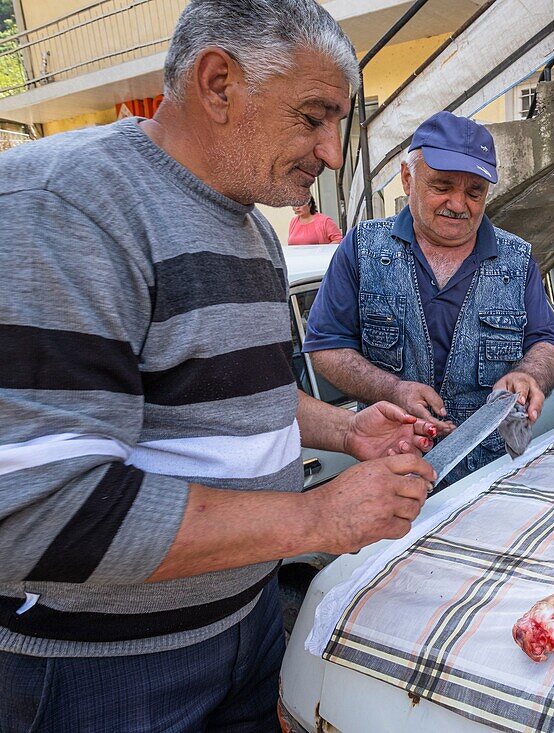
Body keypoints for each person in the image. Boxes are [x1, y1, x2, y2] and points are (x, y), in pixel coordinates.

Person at [0, 1, 437, 730]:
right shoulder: (68, 205)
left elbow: (242, 393)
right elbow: (41, 511)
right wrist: (319, 515)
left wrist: (347, 430)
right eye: (313, 117)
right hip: (104, 674)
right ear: (217, 83)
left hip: (247, 627)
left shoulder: (249, 230)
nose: (332, 152)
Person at [305, 111, 554, 484]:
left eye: (474, 192)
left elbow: (545, 341)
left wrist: (529, 375)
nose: (459, 204)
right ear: (408, 179)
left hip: (491, 472)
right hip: (392, 463)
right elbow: (326, 347)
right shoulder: (361, 249)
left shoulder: (517, 258)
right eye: (442, 186)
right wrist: (393, 389)